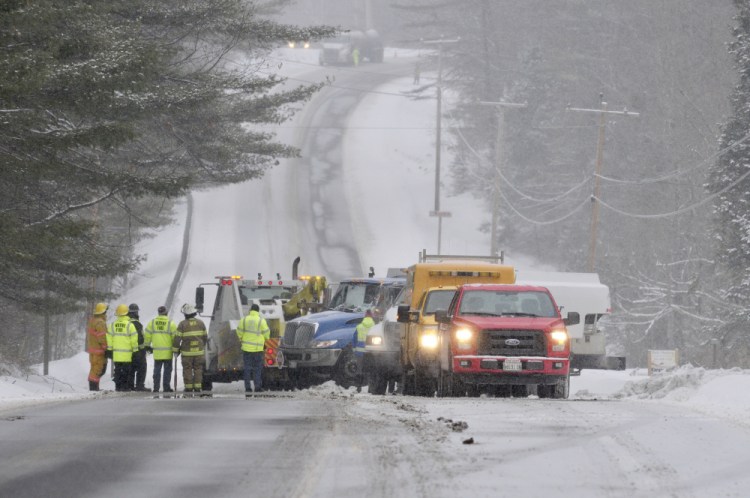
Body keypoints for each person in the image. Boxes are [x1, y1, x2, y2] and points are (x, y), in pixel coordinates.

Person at [236, 303, 270, 397]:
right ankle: (257, 388)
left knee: (247, 369)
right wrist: (264, 339)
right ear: (258, 311)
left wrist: (241, 338)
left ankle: (248, 389)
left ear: (250, 310)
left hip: (246, 349)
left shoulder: (244, 320)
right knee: (257, 369)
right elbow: (267, 334)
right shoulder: (261, 321)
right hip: (257, 349)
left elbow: (239, 331)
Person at [173, 303, 208, 394]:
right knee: (198, 369)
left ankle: (188, 388)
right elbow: (205, 337)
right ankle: (197, 388)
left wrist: (176, 350)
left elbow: (177, 339)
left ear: (185, 314)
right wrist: (201, 346)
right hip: (199, 353)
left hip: (187, 353)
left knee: (187, 369)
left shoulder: (182, 324)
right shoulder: (201, 323)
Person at [106, 304, 139, 392]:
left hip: (116, 354)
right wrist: (135, 350)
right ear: (126, 313)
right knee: (126, 370)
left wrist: (109, 349)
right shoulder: (130, 325)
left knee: (117, 370)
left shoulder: (112, 325)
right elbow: (134, 339)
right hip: (126, 354)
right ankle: (124, 387)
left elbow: (109, 337)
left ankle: (118, 386)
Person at [145, 305, 177, 393]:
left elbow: (147, 335)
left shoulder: (152, 322)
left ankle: (156, 388)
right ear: (166, 312)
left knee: (157, 371)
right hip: (168, 352)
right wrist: (176, 348)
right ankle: (166, 388)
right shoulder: (171, 323)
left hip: (157, 352)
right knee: (167, 371)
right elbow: (175, 337)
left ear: (158, 313)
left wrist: (147, 345)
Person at [86, 302, 109, 391]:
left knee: (94, 369)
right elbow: (102, 337)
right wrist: (105, 347)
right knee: (98, 370)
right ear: (103, 312)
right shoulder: (100, 322)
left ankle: (95, 388)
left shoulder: (93, 320)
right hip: (99, 351)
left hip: (93, 351)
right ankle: (93, 389)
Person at [127, 303, 148, 391]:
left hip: (128, 351)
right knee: (142, 368)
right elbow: (140, 338)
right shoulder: (137, 324)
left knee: (131, 368)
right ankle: (140, 386)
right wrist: (144, 347)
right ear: (135, 312)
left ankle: (130, 385)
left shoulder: (127, 322)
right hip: (139, 350)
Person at [353, 309, 375, 393]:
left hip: (359, 353)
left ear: (365, 316)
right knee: (370, 370)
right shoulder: (374, 326)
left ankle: (358, 387)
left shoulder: (359, 326)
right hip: (370, 352)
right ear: (372, 317)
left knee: (359, 370)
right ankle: (370, 387)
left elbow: (354, 339)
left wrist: (354, 350)